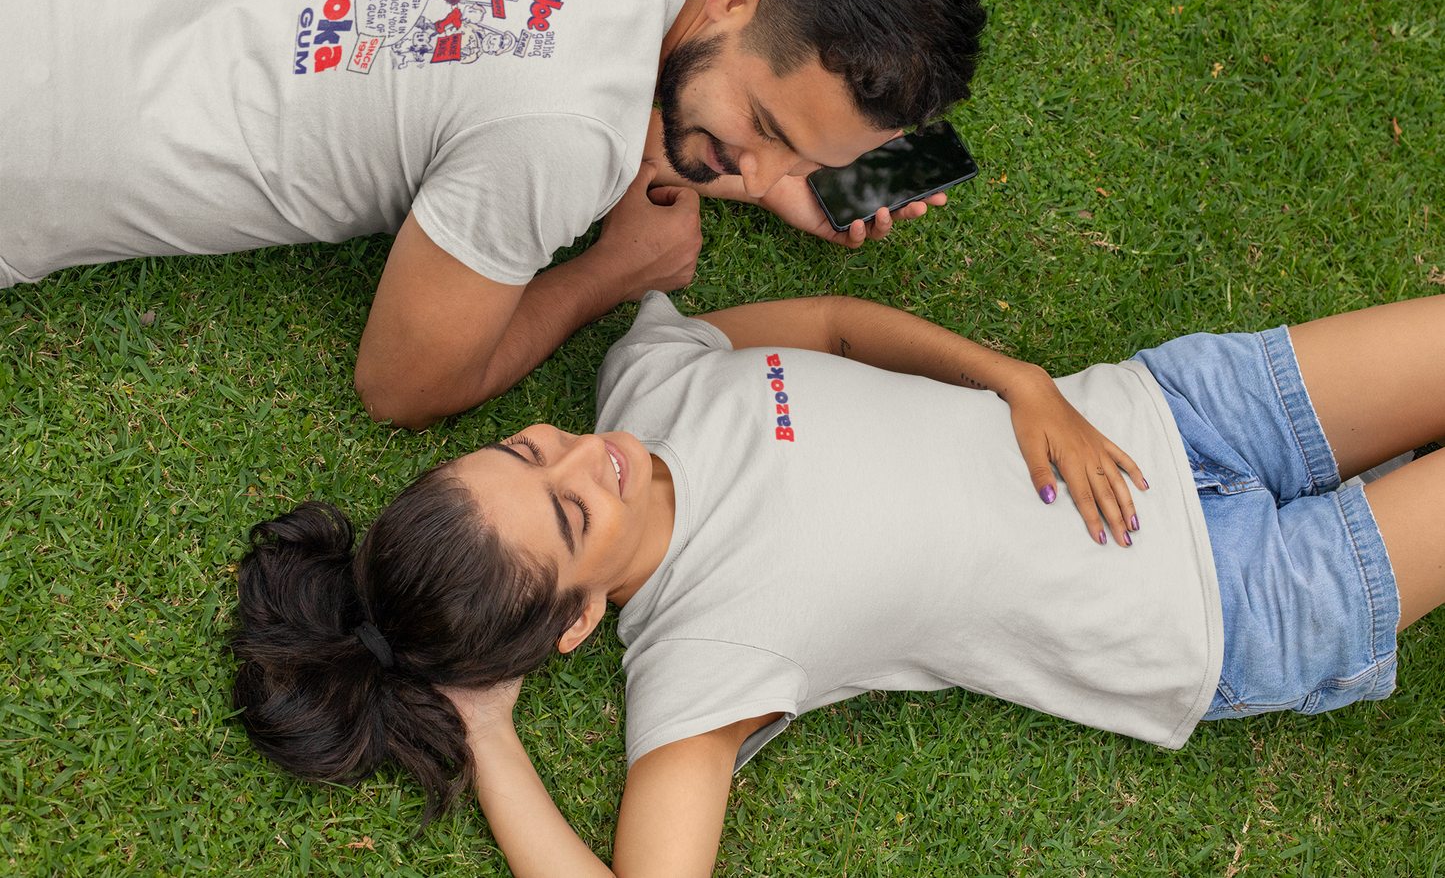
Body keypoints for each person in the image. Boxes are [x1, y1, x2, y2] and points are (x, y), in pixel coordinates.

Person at [231, 288, 1445, 873]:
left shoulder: (646, 383)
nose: (583, 458)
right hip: (1226, 601)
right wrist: (489, 735)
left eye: (524, 447)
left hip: (1169, 411)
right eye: (567, 512)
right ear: (580, 617)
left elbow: (828, 322)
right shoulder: (702, 658)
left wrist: (1019, 381)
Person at [0, 0, 987, 429]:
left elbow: (556, 55)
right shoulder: (560, 141)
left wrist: (756, 166)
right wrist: (617, 271)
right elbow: (402, 384)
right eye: (766, 125)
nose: (761, 168)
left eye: (802, 154)